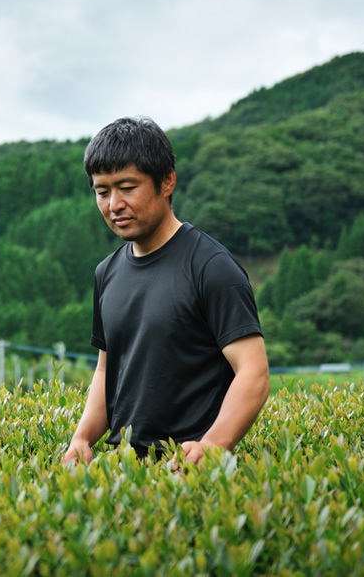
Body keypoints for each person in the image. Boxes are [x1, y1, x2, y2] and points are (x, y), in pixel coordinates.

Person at [63, 116, 269, 467]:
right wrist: (82, 437)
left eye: (127, 188)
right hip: (125, 468)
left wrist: (213, 446)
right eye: (102, 191)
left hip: (188, 469)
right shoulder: (107, 272)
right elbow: (105, 370)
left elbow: (254, 373)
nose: (114, 205)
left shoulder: (211, 266)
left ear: (167, 181)